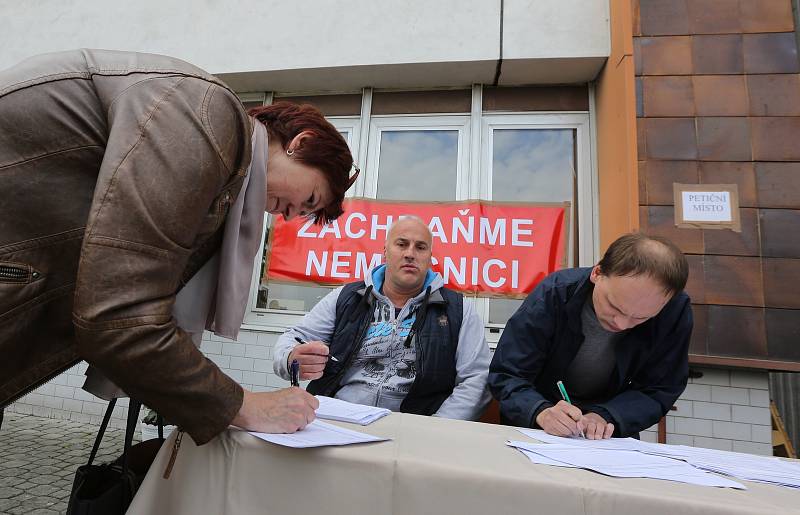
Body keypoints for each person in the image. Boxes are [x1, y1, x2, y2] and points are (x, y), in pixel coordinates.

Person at [0, 49, 358, 443]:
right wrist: (244, 406)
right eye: (309, 200)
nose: (290, 216)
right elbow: (121, 314)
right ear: (300, 142)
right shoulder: (205, 116)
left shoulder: (216, 155)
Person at [273, 217, 491, 420]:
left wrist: (437, 428)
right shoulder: (347, 297)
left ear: (430, 258)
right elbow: (295, 338)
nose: (410, 254)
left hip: (414, 427)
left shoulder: (458, 310)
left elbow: (475, 379)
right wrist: (291, 358)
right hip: (339, 419)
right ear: (385, 252)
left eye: (421, 247)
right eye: (402, 244)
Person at [488, 233, 692, 439]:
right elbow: (507, 374)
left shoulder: (674, 312)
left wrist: (607, 415)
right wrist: (540, 410)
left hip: (608, 432)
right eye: (614, 306)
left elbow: (659, 389)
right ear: (597, 273)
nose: (621, 324)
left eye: (641, 318)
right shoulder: (554, 294)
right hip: (537, 425)